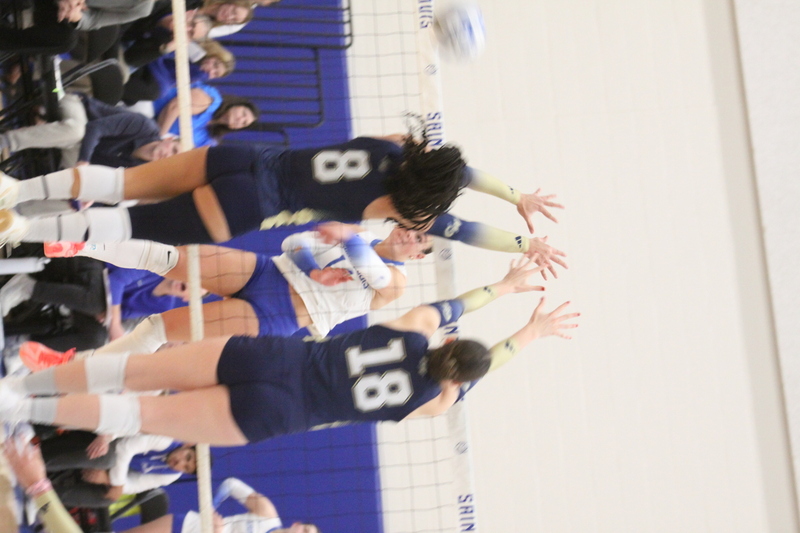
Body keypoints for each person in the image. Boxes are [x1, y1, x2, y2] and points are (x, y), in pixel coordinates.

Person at [0, 257, 578, 447]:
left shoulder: (414, 329)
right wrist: (529, 340)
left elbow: (451, 307)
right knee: (141, 415)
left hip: (275, 358)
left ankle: (17, 389)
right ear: (455, 381)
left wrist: (507, 291)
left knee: (134, 367)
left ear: (448, 343)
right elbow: (471, 374)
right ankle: (18, 410)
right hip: (281, 413)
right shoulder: (431, 402)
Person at [0, 133, 567, 277]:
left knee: (123, 183)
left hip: (247, 158)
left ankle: (15, 192)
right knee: (127, 223)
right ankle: (19, 228)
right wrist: (526, 243)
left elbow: (462, 171)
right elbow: (463, 229)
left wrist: (518, 195)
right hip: (251, 203)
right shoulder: (399, 208)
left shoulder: (392, 148)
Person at [19, 222, 434, 368]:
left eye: (417, 241)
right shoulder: (358, 235)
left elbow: (372, 272)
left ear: (415, 254)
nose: (408, 238)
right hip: (269, 271)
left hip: (280, 315)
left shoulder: (397, 282)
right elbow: (293, 242)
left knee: (158, 328)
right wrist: (314, 268)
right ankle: (82, 244)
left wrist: (345, 237)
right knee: (174, 258)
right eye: (411, 230)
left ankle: (70, 366)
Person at [3, 439, 316, 533]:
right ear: (298, 524)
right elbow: (232, 483)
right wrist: (211, 511)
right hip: (189, 526)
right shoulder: (266, 512)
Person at [0, 94, 179, 169]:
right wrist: (84, 160)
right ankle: (6, 141)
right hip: (81, 111)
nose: (167, 156)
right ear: (169, 140)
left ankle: (16, 214)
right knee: (76, 132)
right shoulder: (144, 126)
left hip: (78, 154)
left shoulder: (141, 169)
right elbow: (95, 128)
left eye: (173, 160)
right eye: (174, 151)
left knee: (77, 203)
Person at [152, 84, 258, 147]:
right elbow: (174, 107)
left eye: (244, 123)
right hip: (148, 104)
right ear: (236, 105)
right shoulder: (213, 100)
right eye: (243, 113)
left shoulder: (208, 141)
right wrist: (156, 140)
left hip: (149, 133)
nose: (240, 119)